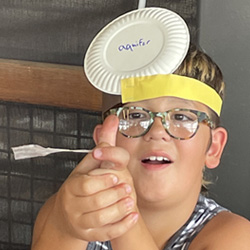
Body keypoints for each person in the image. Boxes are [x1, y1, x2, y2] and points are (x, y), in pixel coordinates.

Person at [31, 43, 250, 250]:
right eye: (135, 115)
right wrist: (63, 230)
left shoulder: (235, 237)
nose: (157, 131)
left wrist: (122, 211)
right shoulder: (67, 212)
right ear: (104, 139)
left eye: (182, 117)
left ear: (213, 148)